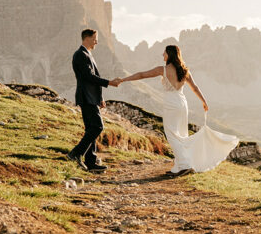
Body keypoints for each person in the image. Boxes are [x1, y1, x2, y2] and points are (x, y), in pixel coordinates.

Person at [118, 44, 238, 175]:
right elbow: (195, 87)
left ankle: (184, 165)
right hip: (182, 103)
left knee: (171, 134)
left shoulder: (162, 69)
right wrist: (204, 101)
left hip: (171, 104)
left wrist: (124, 79)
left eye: (164, 53)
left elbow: (142, 75)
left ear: (169, 54)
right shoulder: (184, 70)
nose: (162, 55)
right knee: (182, 134)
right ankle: (182, 164)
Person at [67, 29, 121, 173]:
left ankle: (91, 162)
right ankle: (76, 153)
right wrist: (110, 82)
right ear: (87, 38)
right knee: (97, 127)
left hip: (91, 98)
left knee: (91, 128)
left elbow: (92, 79)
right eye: (95, 38)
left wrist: (100, 98)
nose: (97, 41)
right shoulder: (80, 55)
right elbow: (88, 77)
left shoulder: (87, 54)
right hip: (86, 97)